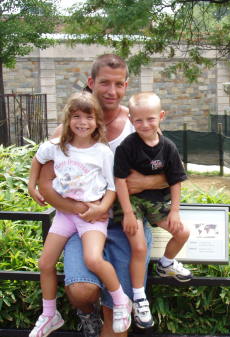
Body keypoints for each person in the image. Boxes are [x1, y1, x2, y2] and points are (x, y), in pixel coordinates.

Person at [37, 54, 167, 337]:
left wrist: (137, 182)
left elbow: (170, 174)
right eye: (105, 83)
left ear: (126, 85)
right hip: (81, 223)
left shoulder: (139, 125)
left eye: (118, 84)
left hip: (126, 226)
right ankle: (87, 312)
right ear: (91, 82)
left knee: (117, 316)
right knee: (82, 290)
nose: (111, 91)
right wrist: (81, 208)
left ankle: (112, 311)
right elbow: (45, 183)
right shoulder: (70, 128)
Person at [28, 91, 133, 337]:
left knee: (93, 259)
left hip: (92, 216)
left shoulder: (102, 152)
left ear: (97, 121)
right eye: (76, 116)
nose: (82, 122)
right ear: (68, 119)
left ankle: (121, 301)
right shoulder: (57, 147)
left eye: (88, 117)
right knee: (45, 263)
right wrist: (31, 185)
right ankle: (50, 313)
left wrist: (102, 208)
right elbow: (37, 158)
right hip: (65, 216)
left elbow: (112, 186)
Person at [113, 92, 192, 293]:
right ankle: (139, 296)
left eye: (150, 119)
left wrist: (175, 211)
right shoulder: (127, 147)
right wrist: (128, 214)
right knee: (139, 247)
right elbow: (120, 181)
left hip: (156, 202)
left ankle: (165, 264)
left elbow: (175, 181)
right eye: (138, 120)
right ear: (131, 120)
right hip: (132, 203)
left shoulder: (168, 147)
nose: (145, 124)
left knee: (182, 233)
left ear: (161, 116)